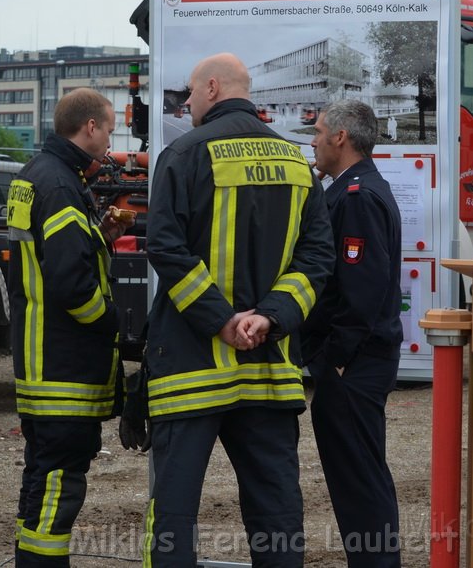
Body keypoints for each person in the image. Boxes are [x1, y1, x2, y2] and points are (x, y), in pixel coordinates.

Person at [142, 52, 334, 566]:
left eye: (189, 93)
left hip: (190, 370)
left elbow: (164, 248)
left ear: (211, 88)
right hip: (268, 370)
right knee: (276, 513)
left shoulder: (183, 154)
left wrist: (221, 321)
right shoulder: (298, 162)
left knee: (175, 513)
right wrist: (269, 317)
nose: (185, 103)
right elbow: (317, 259)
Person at [6, 87, 133, 567]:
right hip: (64, 366)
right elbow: (70, 285)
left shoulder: (37, 175)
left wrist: (99, 235)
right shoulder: (60, 184)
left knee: (41, 476)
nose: (110, 142)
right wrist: (112, 326)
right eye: (109, 130)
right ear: (91, 128)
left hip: (39, 359)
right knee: (60, 479)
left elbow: (44, 258)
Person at [302, 99, 403, 567]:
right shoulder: (351, 190)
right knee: (357, 477)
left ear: (341, 137)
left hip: (354, 364)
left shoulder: (357, 196)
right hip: (354, 360)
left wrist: (335, 357)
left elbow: (362, 291)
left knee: (359, 481)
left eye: (319, 132)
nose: (314, 141)